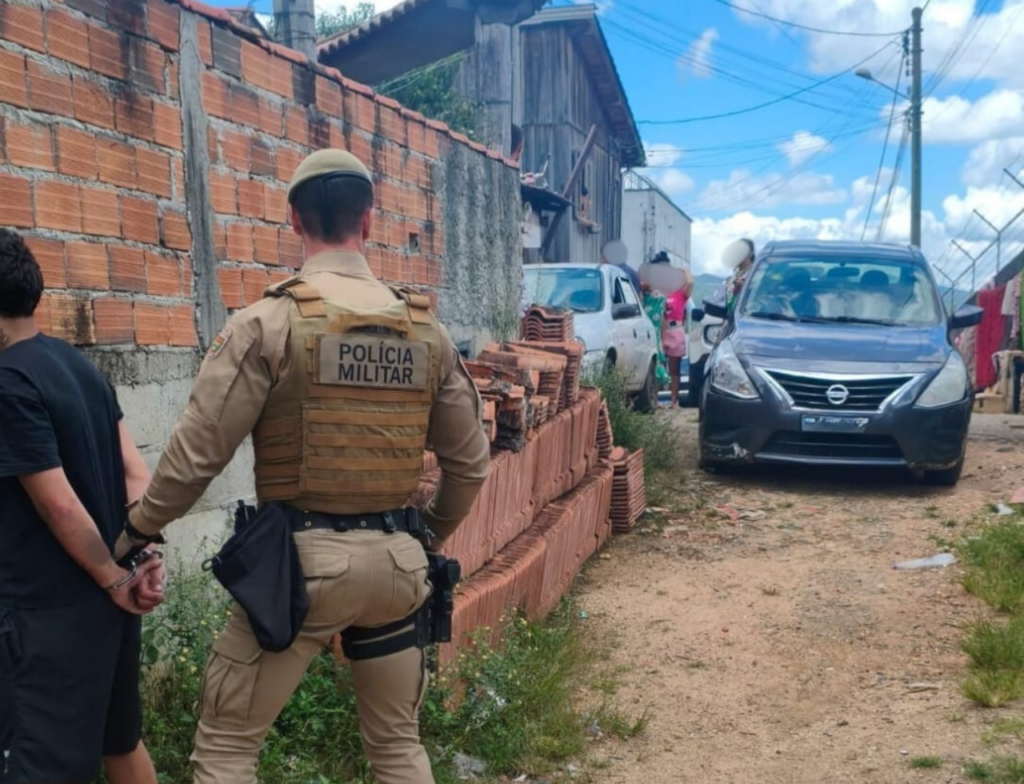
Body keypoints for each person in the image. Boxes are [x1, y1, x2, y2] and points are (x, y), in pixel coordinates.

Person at [113, 149, 492, 784]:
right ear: (367, 221)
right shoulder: (426, 332)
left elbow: (196, 455)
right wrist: (424, 539)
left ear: (294, 218)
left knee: (228, 749)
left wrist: (137, 530)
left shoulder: (270, 321)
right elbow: (471, 466)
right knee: (398, 746)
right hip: (400, 571)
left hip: (300, 572)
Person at [0, 228, 164, 784]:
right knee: (120, 743)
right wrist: (140, 561)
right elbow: (136, 473)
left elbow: (60, 505)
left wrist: (113, 578)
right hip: (108, 613)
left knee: (41, 764)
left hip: (49, 618)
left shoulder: (8, 383)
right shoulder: (77, 366)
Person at [650, 251, 692, 408]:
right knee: (656, 367)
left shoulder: (679, 290)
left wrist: (684, 272)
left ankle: (674, 401)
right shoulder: (653, 289)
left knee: (674, 369)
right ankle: (655, 400)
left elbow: (691, 284)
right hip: (657, 331)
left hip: (675, 331)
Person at [639, 276, 670, 402]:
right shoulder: (641, 296)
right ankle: (653, 399)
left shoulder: (660, 296)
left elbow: (664, 318)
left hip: (654, 333)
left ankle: (654, 399)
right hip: (645, 333)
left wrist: (663, 336)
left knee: (655, 364)